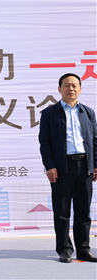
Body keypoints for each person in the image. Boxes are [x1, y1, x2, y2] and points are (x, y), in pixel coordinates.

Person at [39, 73, 97, 263]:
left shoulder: (88, 112)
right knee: (62, 211)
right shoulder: (49, 113)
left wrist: (95, 165)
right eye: (66, 85)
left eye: (74, 85)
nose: (71, 88)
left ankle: (83, 249)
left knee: (83, 211)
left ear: (80, 89)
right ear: (59, 89)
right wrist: (50, 166)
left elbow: (94, 140)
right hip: (61, 167)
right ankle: (64, 249)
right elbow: (45, 142)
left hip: (84, 166)